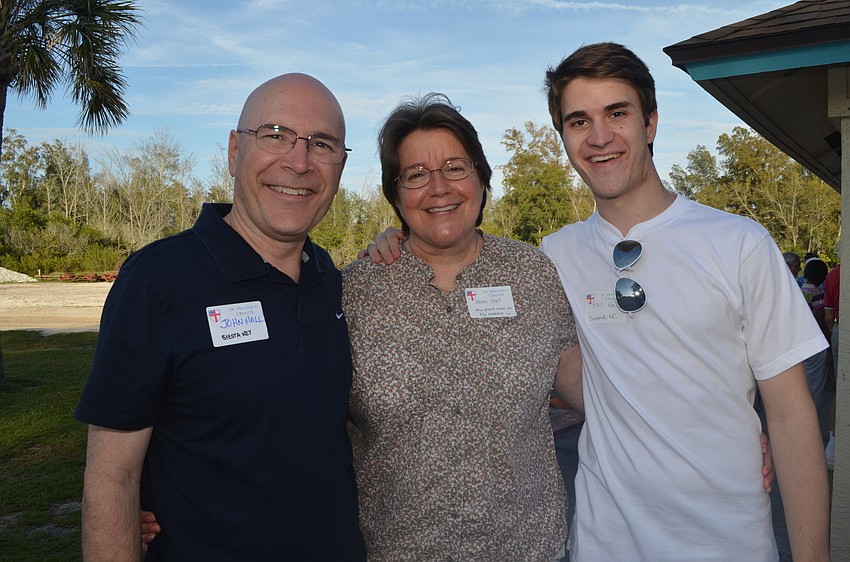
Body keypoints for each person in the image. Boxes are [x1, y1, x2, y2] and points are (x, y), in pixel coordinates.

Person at [538, 42, 829, 561]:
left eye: (617, 113)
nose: (599, 137)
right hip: (605, 544)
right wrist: (398, 242)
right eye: (578, 121)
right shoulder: (554, 255)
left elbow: (789, 413)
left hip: (727, 542)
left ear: (650, 123)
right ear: (563, 137)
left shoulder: (739, 243)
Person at [74, 74, 366, 560]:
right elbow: (111, 479)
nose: (298, 162)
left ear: (339, 166)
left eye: (322, 144)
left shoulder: (332, 281)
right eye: (275, 134)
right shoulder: (159, 280)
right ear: (235, 151)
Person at [342, 93, 579, 561]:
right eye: (415, 175)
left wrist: (719, 425)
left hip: (527, 548)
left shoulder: (533, 274)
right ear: (396, 193)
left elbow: (599, 394)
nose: (438, 188)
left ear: (481, 178)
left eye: (455, 167)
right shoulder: (354, 292)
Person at [800, 257, 830, 410]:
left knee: (803, 380)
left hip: (800, 340)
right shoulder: (817, 294)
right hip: (814, 341)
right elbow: (821, 320)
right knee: (815, 384)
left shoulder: (800, 290)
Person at [824, 262, 840, 468]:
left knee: (840, 390)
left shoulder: (834, 274)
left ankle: (833, 448)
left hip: (838, 330)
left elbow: (829, 316)